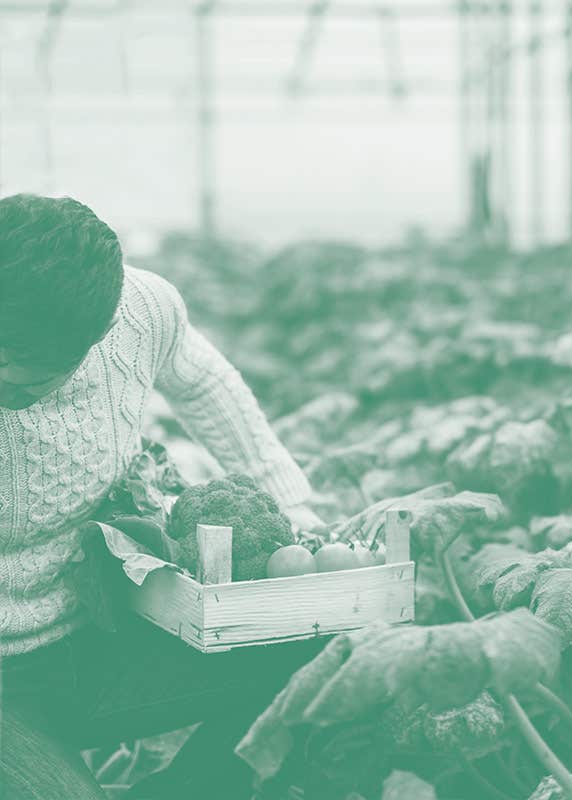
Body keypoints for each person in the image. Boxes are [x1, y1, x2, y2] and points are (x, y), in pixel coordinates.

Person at [0, 194, 327, 798]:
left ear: (91, 340)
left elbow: (203, 381)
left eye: (20, 371)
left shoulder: (141, 312)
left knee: (319, 652)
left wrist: (293, 502)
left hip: (96, 638)